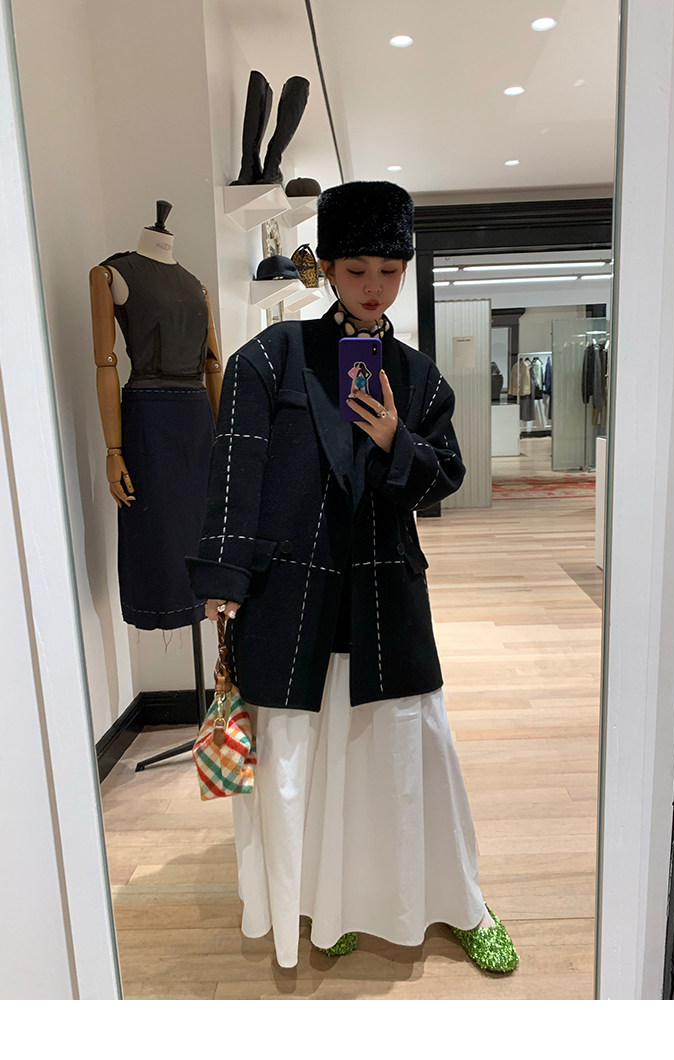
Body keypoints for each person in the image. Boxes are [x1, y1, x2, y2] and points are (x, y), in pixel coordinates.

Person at [187, 180, 518, 975]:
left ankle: (460, 900)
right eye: (358, 269)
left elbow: (443, 481)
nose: (374, 287)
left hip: (382, 589)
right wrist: (225, 576)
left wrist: (398, 439)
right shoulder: (271, 357)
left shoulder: (418, 376)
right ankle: (328, 903)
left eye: (390, 271)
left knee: (408, 750)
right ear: (328, 268)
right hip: (291, 590)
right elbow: (236, 467)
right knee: (310, 755)